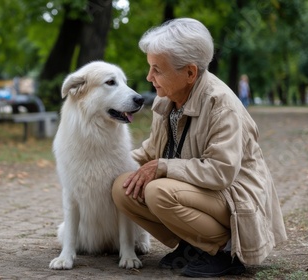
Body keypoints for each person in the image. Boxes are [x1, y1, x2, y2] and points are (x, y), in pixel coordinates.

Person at [112, 18, 287, 278]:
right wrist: (106, 164)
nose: (149, 78)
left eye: (157, 70)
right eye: (150, 68)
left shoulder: (221, 105)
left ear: (190, 73)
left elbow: (220, 172)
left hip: (235, 198)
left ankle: (225, 250)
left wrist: (163, 167)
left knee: (159, 192)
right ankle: (192, 245)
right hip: (201, 193)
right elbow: (150, 152)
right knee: (123, 187)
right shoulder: (168, 100)